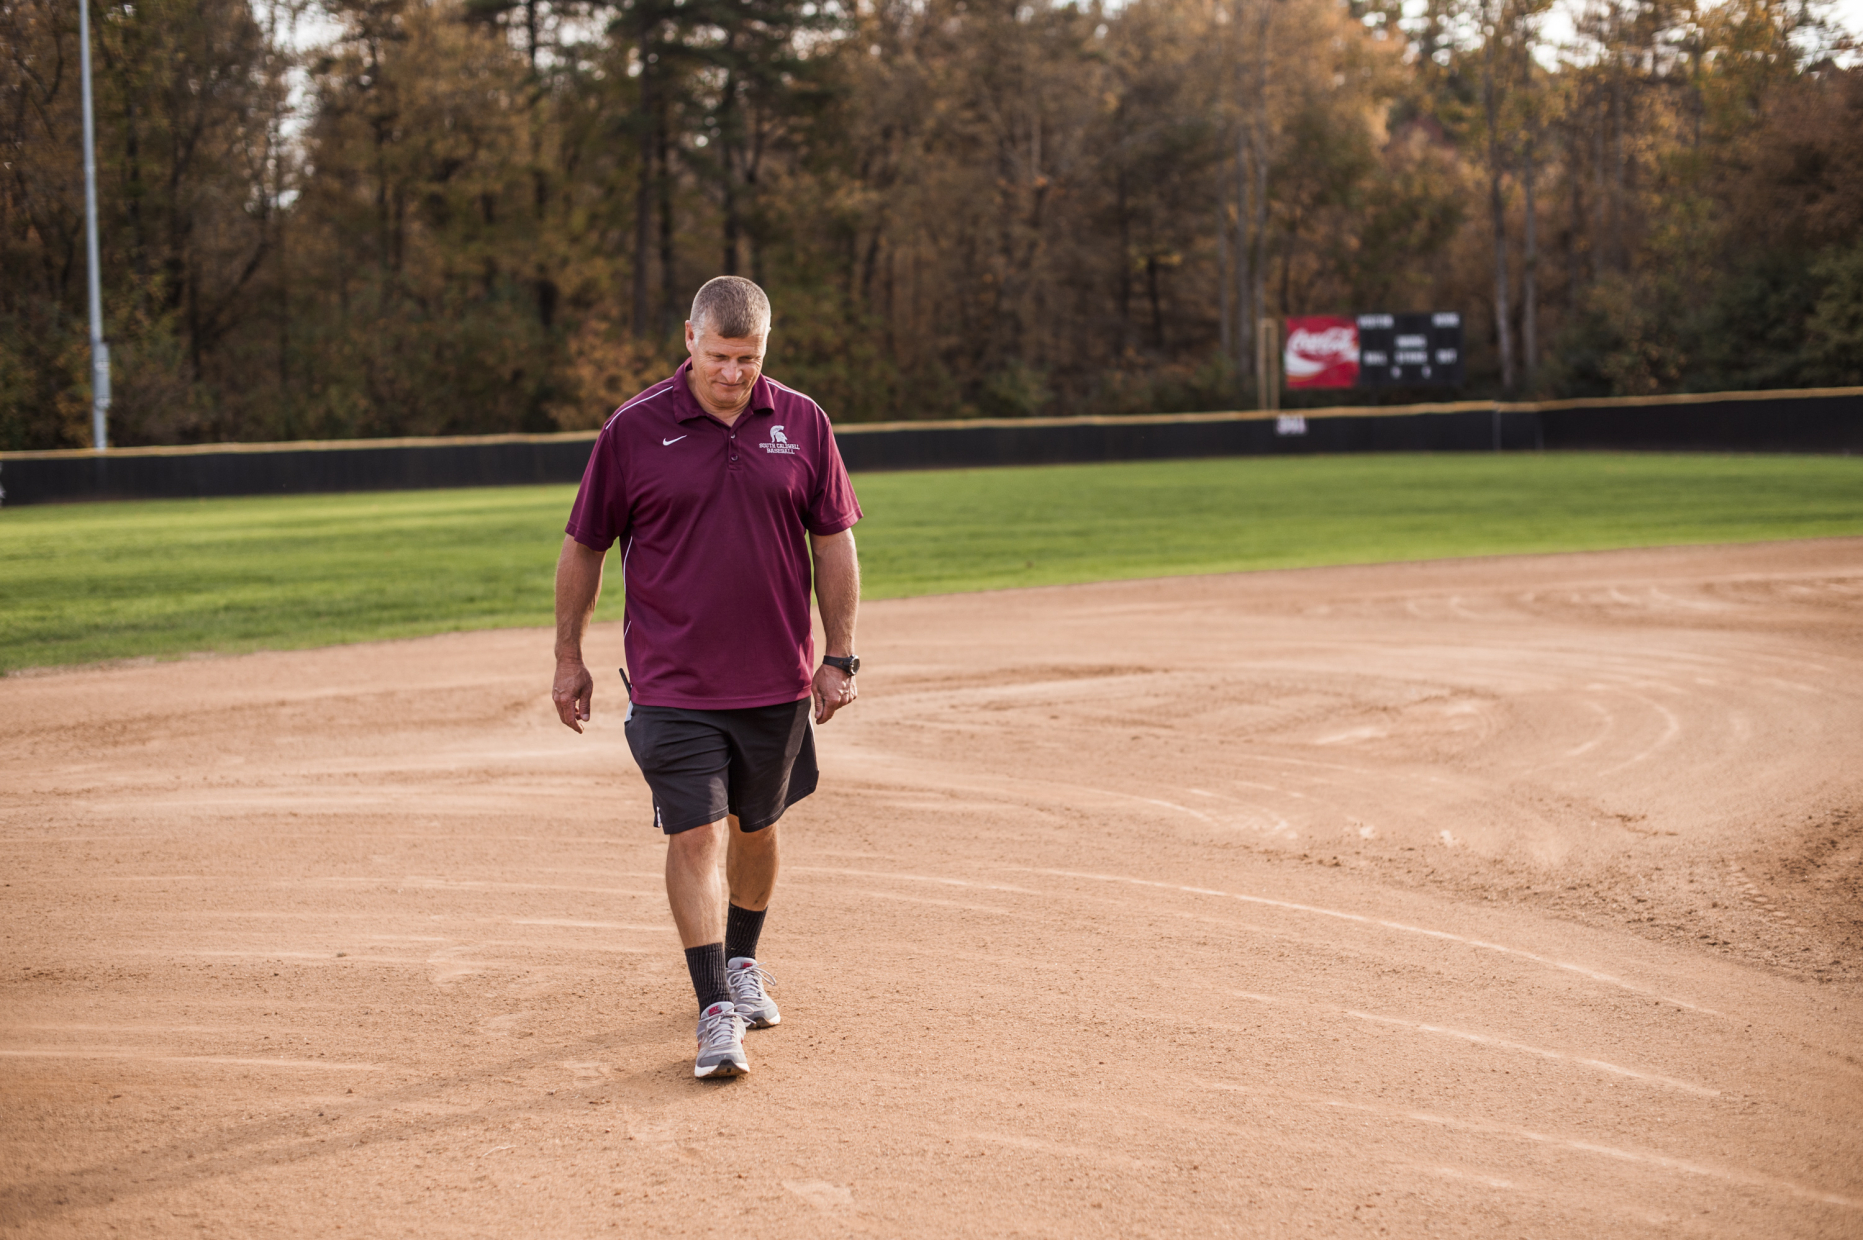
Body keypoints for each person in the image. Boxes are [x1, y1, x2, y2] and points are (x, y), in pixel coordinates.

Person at [550, 276, 862, 1079]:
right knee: (694, 833)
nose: (733, 374)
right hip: (672, 682)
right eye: (720, 356)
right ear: (689, 338)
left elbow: (832, 541)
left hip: (777, 679)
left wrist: (839, 655)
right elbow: (584, 545)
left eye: (749, 358)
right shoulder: (632, 429)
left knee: (756, 828)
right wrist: (567, 657)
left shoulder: (802, 422)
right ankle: (713, 1009)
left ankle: (744, 963)